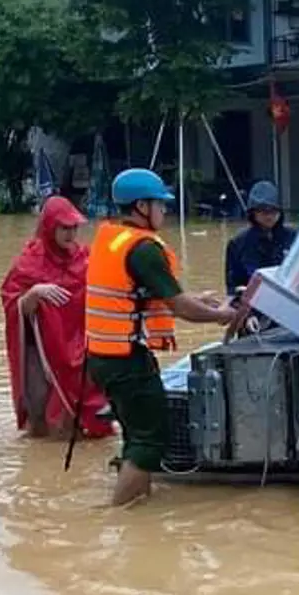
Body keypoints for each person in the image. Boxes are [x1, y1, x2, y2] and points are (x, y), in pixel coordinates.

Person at [85, 168, 238, 507]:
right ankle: (120, 515)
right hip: (128, 359)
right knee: (150, 442)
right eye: (160, 204)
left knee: (135, 436)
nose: (165, 211)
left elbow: (139, 296)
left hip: (102, 355)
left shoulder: (112, 238)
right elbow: (180, 307)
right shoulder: (144, 249)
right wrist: (222, 315)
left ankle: (137, 510)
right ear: (141, 206)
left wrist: (199, 298)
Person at [0, 196, 112, 440]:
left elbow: (108, 289)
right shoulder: (28, 264)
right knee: (41, 411)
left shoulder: (84, 258)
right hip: (41, 352)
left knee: (85, 406)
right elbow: (13, 304)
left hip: (78, 345)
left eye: (74, 227)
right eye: (64, 227)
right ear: (50, 227)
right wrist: (34, 293)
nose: (71, 233)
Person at [225, 179, 297, 295]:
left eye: (273, 211)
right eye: (263, 211)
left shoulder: (294, 237)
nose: (269, 216)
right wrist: (241, 291)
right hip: (253, 302)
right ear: (253, 213)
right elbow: (232, 287)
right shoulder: (237, 243)